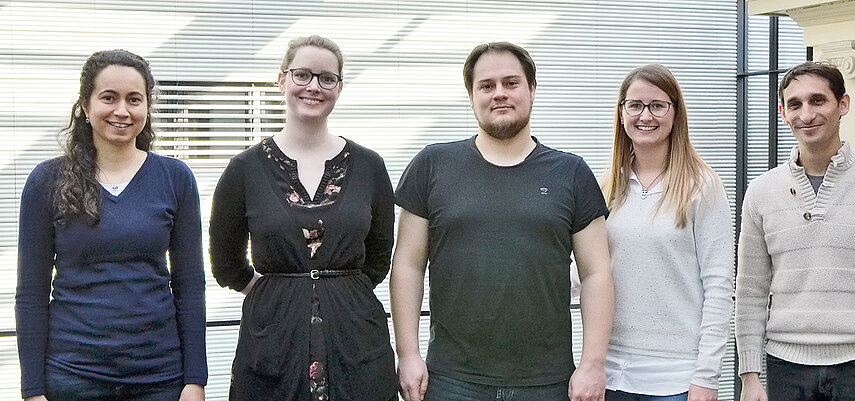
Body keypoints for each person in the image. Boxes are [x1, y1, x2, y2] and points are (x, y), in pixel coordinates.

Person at [391, 42, 615, 401]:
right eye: (486, 85)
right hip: (451, 381)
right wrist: (408, 353)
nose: (499, 94)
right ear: (471, 95)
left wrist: (593, 364)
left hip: (547, 382)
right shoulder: (432, 165)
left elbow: (596, 272)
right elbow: (407, 264)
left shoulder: (571, 173)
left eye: (511, 83)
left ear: (532, 90)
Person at [209, 35, 397, 401]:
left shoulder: (370, 167)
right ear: (281, 80)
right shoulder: (244, 170)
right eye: (302, 75)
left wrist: (339, 292)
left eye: (327, 78)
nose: (314, 86)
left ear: (339, 88)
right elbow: (225, 262)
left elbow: (378, 257)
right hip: (271, 342)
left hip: (356, 338)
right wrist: (277, 292)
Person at [15, 49, 207, 401]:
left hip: (160, 380)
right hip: (73, 379)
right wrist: (32, 390)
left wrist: (195, 380)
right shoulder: (47, 181)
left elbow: (190, 286)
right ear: (86, 107)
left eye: (135, 99)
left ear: (147, 108)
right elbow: (31, 294)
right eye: (109, 98)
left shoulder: (176, 178)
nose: (122, 110)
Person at [735, 61, 855, 401]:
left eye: (817, 100)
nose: (806, 114)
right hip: (785, 369)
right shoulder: (761, 192)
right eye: (794, 104)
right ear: (782, 112)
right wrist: (749, 377)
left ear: (843, 104)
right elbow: (750, 291)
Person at [599, 64, 733, 401]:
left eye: (658, 105)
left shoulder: (702, 186)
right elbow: (586, 273)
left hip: (676, 381)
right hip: (611, 374)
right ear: (621, 112)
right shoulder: (606, 188)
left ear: (675, 113)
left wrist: (707, 376)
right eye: (635, 105)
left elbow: (719, 287)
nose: (646, 116)